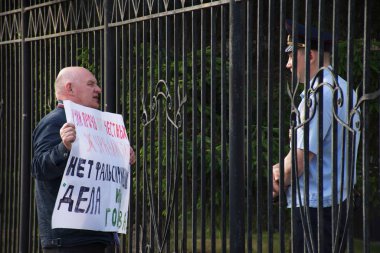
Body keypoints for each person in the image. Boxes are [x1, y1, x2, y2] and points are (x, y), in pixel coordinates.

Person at [272, 20, 360, 253]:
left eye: (292, 56)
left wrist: (278, 174)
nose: (288, 64)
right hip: (335, 203)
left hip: (316, 207)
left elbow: (300, 160)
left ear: (310, 56)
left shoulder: (318, 94)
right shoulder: (343, 88)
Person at [31, 66, 136, 253]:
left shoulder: (96, 125)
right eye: (91, 84)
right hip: (68, 242)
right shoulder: (55, 121)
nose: (98, 89)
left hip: (96, 236)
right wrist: (64, 147)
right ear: (69, 88)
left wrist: (121, 157)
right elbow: (39, 168)